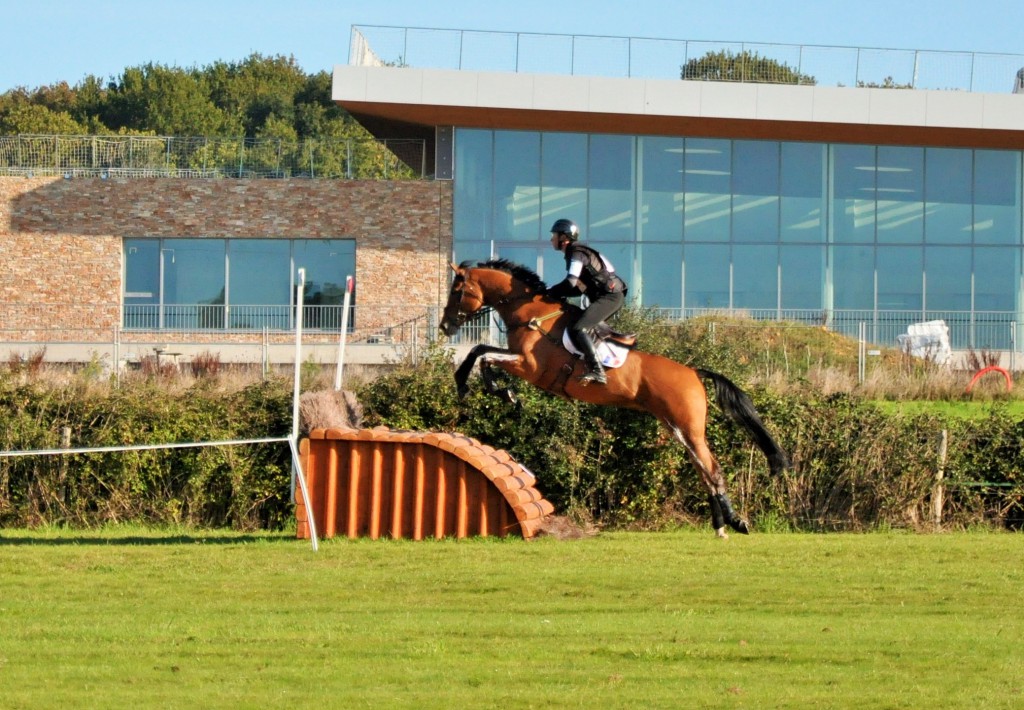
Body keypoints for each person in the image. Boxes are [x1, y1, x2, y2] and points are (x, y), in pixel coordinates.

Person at [545, 218, 628, 385]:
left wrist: (549, 292)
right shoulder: (576, 253)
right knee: (576, 323)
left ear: (563, 238)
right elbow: (578, 288)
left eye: (554, 235)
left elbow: (570, 283)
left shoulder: (576, 253)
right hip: (607, 295)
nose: (551, 239)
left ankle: (598, 372)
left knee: (580, 328)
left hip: (610, 297)